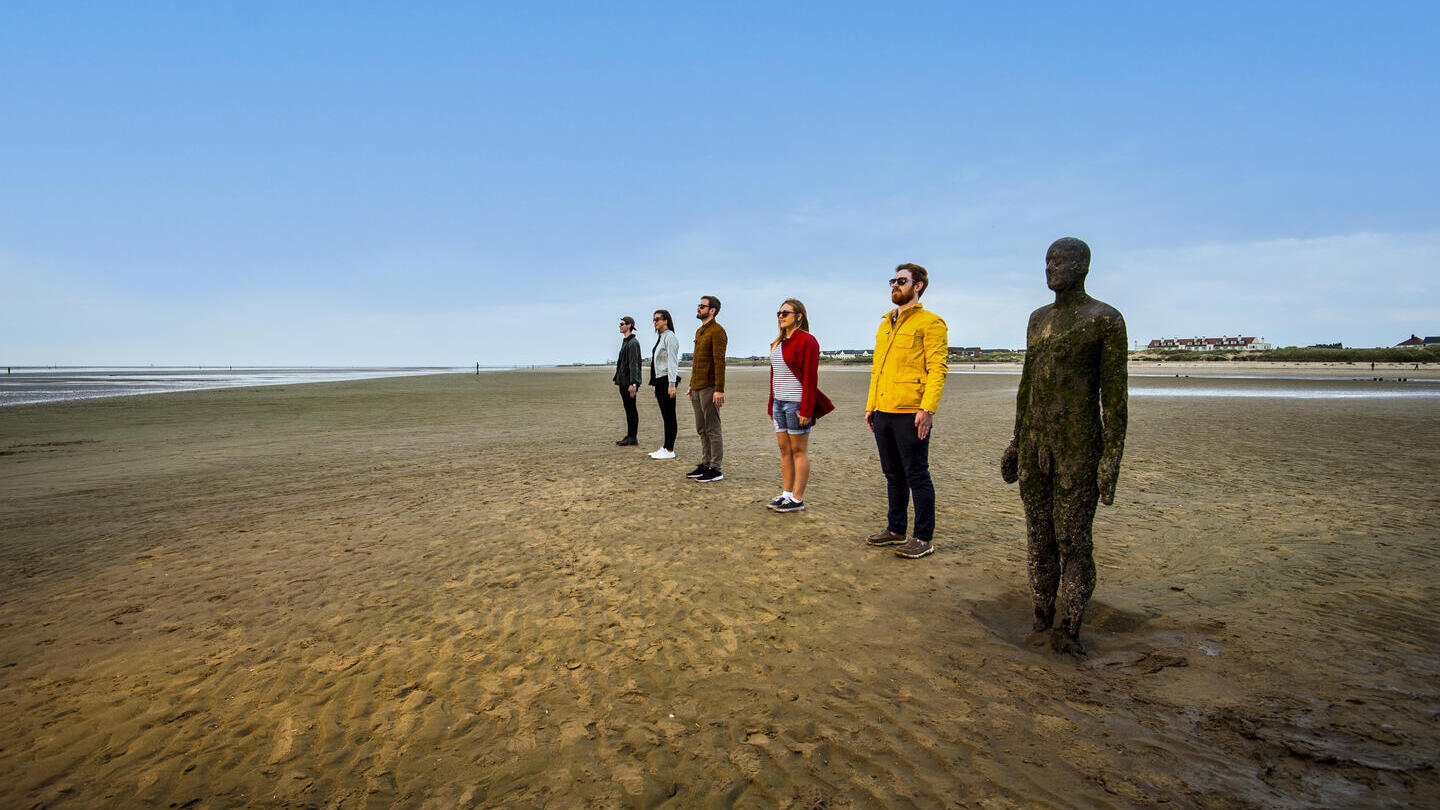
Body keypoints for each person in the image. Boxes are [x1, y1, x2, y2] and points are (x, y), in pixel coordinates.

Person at [1001, 237, 1128, 656]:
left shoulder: (1104, 319)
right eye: (1048, 261)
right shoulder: (1038, 320)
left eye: (1061, 261)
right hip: (1036, 444)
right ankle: (1041, 617)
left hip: (1078, 447)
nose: (1051, 268)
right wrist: (1017, 441)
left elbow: (1114, 399)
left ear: (1083, 266)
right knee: (1038, 534)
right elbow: (1027, 385)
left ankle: (1071, 629)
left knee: (1073, 539)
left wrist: (1110, 459)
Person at [864, 263, 949, 559]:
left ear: (919, 285)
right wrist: (871, 405)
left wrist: (928, 408)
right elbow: (878, 369)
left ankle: (923, 537)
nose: (894, 285)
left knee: (917, 474)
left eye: (901, 281)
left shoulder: (931, 322)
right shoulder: (885, 323)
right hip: (883, 409)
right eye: (893, 280)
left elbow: (938, 368)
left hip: (911, 410)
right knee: (892, 474)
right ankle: (895, 529)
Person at [766, 299, 833, 512]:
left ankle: (797, 498)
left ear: (799, 316)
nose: (780, 316)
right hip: (779, 402)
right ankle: (786, 494)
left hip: (796, 403)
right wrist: (771, 404)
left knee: (798, 450)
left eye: (785, 313)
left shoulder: (807, 341)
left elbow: (810, 379)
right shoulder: (777, 343)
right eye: (779, 313)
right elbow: (774, 376)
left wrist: (807, 409)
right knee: (784, 450)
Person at [686, 295, 728, 482]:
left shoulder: (718, 331)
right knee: (701, 428)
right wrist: (691, 385)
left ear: (713, 310)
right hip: (697, 387)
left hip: (710, 388)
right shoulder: (700, 331)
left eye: (702, 306)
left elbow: (719, 362)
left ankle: (715, 468)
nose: (698, 309)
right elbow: (697, 362)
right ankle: (705, 464)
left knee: (712, 428)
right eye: (698, 306)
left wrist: (719, 389)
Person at [648, 309, 682, 459]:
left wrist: (672, 384)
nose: (655, 322)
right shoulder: (661, 338)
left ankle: (669, 449)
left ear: (665, 320)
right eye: (654, 319)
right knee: (665, 416)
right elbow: (656, 364)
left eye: (657, 319)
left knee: (670, 416)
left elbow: (672, 362)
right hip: (660, 380)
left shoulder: (670, 337)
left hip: (667, 380)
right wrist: (655, 385)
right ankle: (666, 447)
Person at [613, 316, 642, 446]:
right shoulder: (626, 341)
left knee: (631, 408)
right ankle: (630, 435)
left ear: (629, 325)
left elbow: (634, 364)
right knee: (628, 408)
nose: (620, 326)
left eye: (622, 324)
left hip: (629, 383)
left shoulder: (633, 343)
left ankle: (632, 437)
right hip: (623, 381)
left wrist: (633, 383)